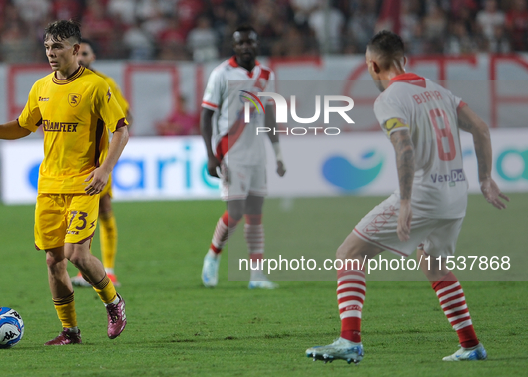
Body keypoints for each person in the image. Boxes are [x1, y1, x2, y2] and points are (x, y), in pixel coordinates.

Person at [305, 30, 509, 363]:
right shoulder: (438, 90)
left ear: (372, 66)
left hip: (426, 195)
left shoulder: (389, 98)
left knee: (349, 254)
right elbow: (481, 128)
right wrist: (485, 178)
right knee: (434, 265)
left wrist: (404, 201)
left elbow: (404, 146)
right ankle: (471, 345)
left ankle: (349, 340)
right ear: (405, 60)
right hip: (456, 195)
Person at [0, 20, 129, 345]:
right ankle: (70, 331)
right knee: (53, 261)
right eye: (47, 47)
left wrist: (105, 170)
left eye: (58, 47)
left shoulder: (96, 87)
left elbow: (121, 130)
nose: (51, 53)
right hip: (49, 186)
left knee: (77, 255)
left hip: (84, 184)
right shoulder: (41, 87)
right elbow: (24, 126)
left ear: (76, 50)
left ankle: (114, 303)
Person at [200, 25, 286, 289]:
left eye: (250, 42)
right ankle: (213, 256)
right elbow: (206, 116)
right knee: (235, 211)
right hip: (230, 151)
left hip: (257, 153)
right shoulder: (221, 74)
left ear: (257, 44)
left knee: (256, 214)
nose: (246, 47)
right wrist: (211, 157)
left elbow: (269, 115)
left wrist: (278, 154)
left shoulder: (266, 75)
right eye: (241, 43)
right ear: (234, 46)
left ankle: (256, 275)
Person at [71, 38, 132, 288]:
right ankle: (84, 267)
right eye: (79, 53)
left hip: (98, 161)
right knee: (77, 215)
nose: (82, 58)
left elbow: (124, 118)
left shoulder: (106, 84)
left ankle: (108, 270)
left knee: (104, 211)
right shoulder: (63, 84)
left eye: (86, 53)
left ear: (92, 57)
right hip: (71, 164)